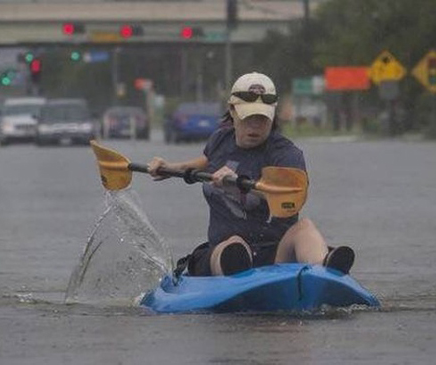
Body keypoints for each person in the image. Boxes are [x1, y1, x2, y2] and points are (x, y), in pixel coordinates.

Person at [147, 72, 354, 276]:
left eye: (262, 118)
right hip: (226, 251)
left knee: (304, 228)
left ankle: (324, 268)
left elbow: (292, 197)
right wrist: (169, 168)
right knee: (234, 243)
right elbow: (204, 163)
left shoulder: (286, 154)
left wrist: (237, 184)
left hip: (276, 254)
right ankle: (235, 270)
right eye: (248, 117)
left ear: (273, 116)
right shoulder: (220, 140)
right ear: (233, 111)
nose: (255, 126)